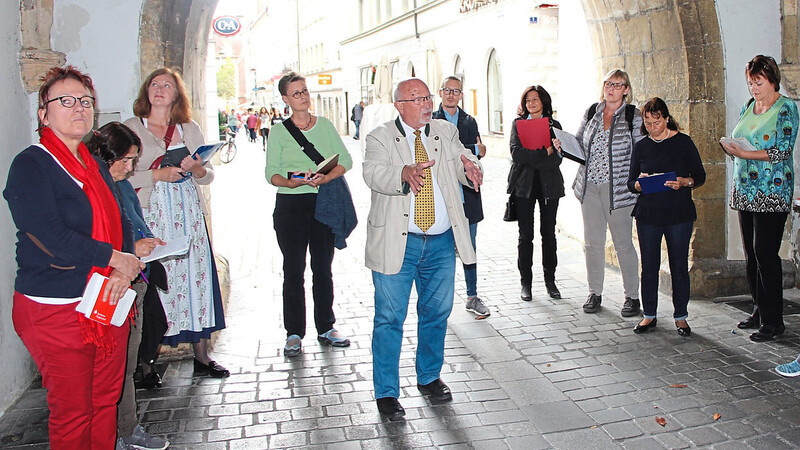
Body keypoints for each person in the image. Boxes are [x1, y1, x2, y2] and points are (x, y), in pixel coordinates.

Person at [3, 65, 144, 449]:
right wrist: (114, 258)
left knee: (103, 403)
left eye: (85, 101)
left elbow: (122, 221)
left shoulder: (93, 162)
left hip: (104, 300)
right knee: (73, 412)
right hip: (55, 307)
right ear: (43, 113)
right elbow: (51, 237)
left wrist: (121, 270)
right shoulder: (31, 165)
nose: (78, 107)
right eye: (65, 101)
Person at [363, 78, 483, 420]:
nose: (427, 104)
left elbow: (463, 161)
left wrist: (471, 168)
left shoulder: (444, 131)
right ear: (400, 105)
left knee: (436, 314)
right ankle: (386, 392)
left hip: (441, 242)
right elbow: (372, 173)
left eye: (428, 97)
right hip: (398, 244)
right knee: (389, 319)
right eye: (418, 99)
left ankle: (429, 376)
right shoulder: (380, 136)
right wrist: (403, 171)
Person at [124, 68, 230, 378]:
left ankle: (201, 354)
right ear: (147, 91)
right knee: (158, 282)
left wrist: (197, 170)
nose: (159, 89)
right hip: (151, 213)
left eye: (166, 85)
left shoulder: (188, 128)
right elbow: (118, 172)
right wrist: (155, 175)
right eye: (154, 84)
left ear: (176, 94)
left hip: (186, 213)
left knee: (194, 280)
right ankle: (146, 363)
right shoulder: (132, 127)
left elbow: (208, 174)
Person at [86, 122, 170, 450]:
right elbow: (97, 239)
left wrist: (146, 241)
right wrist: (133, 249)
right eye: (125, 160)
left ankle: (127, 428)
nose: (130, 167)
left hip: (133, 281)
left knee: (125, 363)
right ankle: (111, 436)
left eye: (134, 160)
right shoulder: (93, 186)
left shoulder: (119, 183)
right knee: (108, 368)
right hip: (108, 285)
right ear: (103, 155)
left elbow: (133, 221)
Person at [265, 72, 353, 356]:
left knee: (323, 268)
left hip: (322, 202)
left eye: (305, 91)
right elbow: (271, 173)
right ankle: (294, 332)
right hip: (291, 206)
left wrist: (325, 178)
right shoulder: (279, 131)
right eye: (296, 93)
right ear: (285, 99)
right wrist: (290, 181)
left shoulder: (325, 126)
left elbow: (346, 160)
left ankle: (326, 326)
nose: (303, 96)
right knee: (293, 270)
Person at [721, 55, 799, 342]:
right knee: (752, 255)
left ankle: (774, 320)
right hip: (745, 190)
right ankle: (759, 309)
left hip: (773, 191)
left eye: (758, 82)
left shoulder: (787, 108)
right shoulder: (748, 106)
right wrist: (733, 146)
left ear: (772, 79)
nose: (753, 88)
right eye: (750, 82)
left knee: (766, 254)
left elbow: (782, 150)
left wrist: (744, 153)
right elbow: (743, 135)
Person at [555, 69, 643, 317]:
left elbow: (640, 151)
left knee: (623, 244)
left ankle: (632, 297)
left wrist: (638, 181)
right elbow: (581, 143)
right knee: (592, 243)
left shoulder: (632, 116)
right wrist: (564, 146)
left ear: (626, 89)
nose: (611, 88)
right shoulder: (592, 111)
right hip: (590, 187)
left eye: (617, 84)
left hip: (619, 192)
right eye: (608, 83)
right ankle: (594, 292)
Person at [626, 98, 705, 337]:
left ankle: (681, 316)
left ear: (667, 118)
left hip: (678, 212)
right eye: (648, 123)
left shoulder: (683, 142)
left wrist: (684, 182)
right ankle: (649, 315)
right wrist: (639, 184)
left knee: (678, 266)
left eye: (657, 122)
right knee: (648, 266)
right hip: (648, 213)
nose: (653, 127)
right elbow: (631, 182)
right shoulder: (642, 146)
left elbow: (699, 176)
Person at [431, 76, 490, 318]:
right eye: (447, 90)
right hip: (442, 195)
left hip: (468, 194)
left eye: (456, 91)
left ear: (461, 95)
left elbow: (475, 155)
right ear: (441, 92)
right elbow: (448, 153)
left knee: (470, 246)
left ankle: (472, 295)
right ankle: (439, 301)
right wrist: (474, 149)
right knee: (442, 250)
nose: (451, 94)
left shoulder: (469, 120)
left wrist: (474, 151)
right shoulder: (432, 121)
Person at [507, 85, 564, 302]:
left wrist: (547, 153)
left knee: (548, 235)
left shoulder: (554, 125)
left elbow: (558, 158)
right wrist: (545, 151)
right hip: (524, 186)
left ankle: (550, 281)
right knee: (525, 236)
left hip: (550, 186)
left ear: (544, 102)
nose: (531, 103)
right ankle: (526, 283)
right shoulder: (518, 124)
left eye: (535, 100)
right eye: (528, 100)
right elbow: (516, 153)